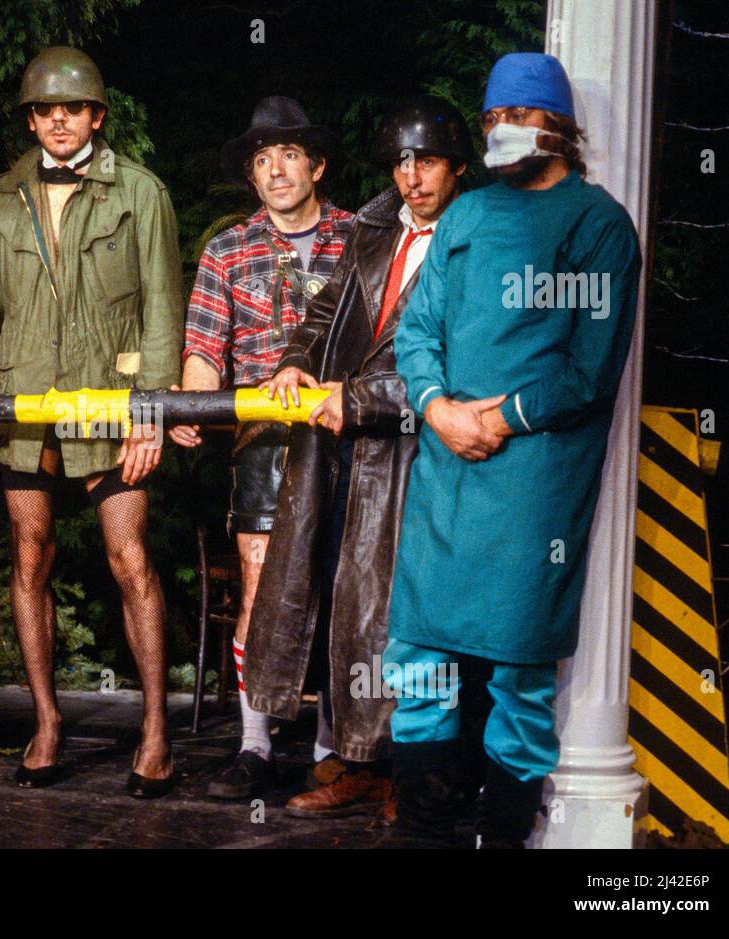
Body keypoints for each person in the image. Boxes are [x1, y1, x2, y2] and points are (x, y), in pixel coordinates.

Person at [386, 53, 641, 847]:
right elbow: (417, 330)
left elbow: (589, 368)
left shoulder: (597, 224)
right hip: (443, 474)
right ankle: (422, 836)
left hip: (533, 486)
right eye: (492, 120)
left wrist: (500, 418)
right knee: (418, 660)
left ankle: (501, 839)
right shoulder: (464, 216)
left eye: (518, 118)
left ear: (558, 127)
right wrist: (437, 407)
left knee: (520, 675)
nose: (503, 132)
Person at [0, 46, 184, 797]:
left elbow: (162, 308)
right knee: (30, 558)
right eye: (46, 110)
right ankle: (47, 722)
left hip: (111, 402)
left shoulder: (140, 193)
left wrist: (150, 413)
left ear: (97, 116)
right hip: (22, 404)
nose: (59, 121)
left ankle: (155, 729)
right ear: (31, 120)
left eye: (73, 108)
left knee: (130, 560)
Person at [253, 96, 474, 821]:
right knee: (344, 603)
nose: (412, 177)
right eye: (402, 163)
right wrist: (295, 357)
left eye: (427, 161)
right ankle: (358, 761)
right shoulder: (375, 227)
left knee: (404, 616)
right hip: (341, 447)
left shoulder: (474, 241)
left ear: (457, 166)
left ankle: (412, 775)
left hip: (417, 451)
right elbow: (327, 308)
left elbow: (461, 362)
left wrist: (359, 398)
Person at [170, 96, 352, 800]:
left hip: (346, 438)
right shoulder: (227, 250)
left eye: (289, 155)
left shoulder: (359, 238)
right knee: (259, 590)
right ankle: (255, 746)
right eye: (262, 159)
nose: (276, 170)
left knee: (342, 591)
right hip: (263, 445)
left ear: (317, 165)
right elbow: (203, 351)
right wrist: (192, 406)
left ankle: (333, 752)